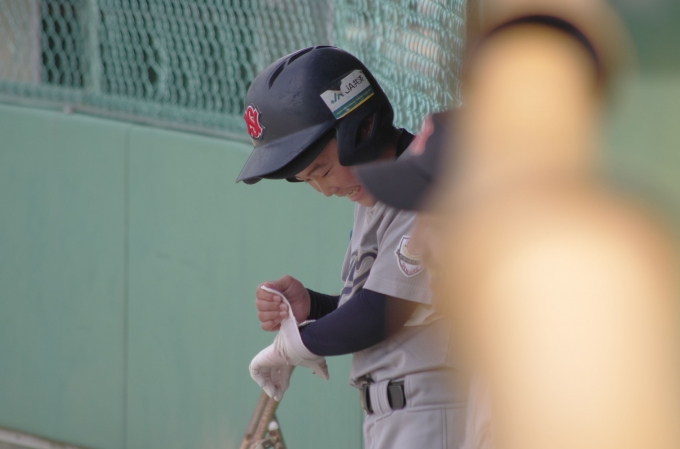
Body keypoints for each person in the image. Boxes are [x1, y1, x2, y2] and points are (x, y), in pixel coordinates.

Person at [237, 46, 465, 449]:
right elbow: (373, 301)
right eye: (308, 180)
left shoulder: (422, 184)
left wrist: (297, 344)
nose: (324, 189)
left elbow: (381, 312)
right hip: (399, 410)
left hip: (434, 409)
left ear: (362, 127)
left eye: (322, 170)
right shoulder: (373, 197)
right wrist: (313, 307)